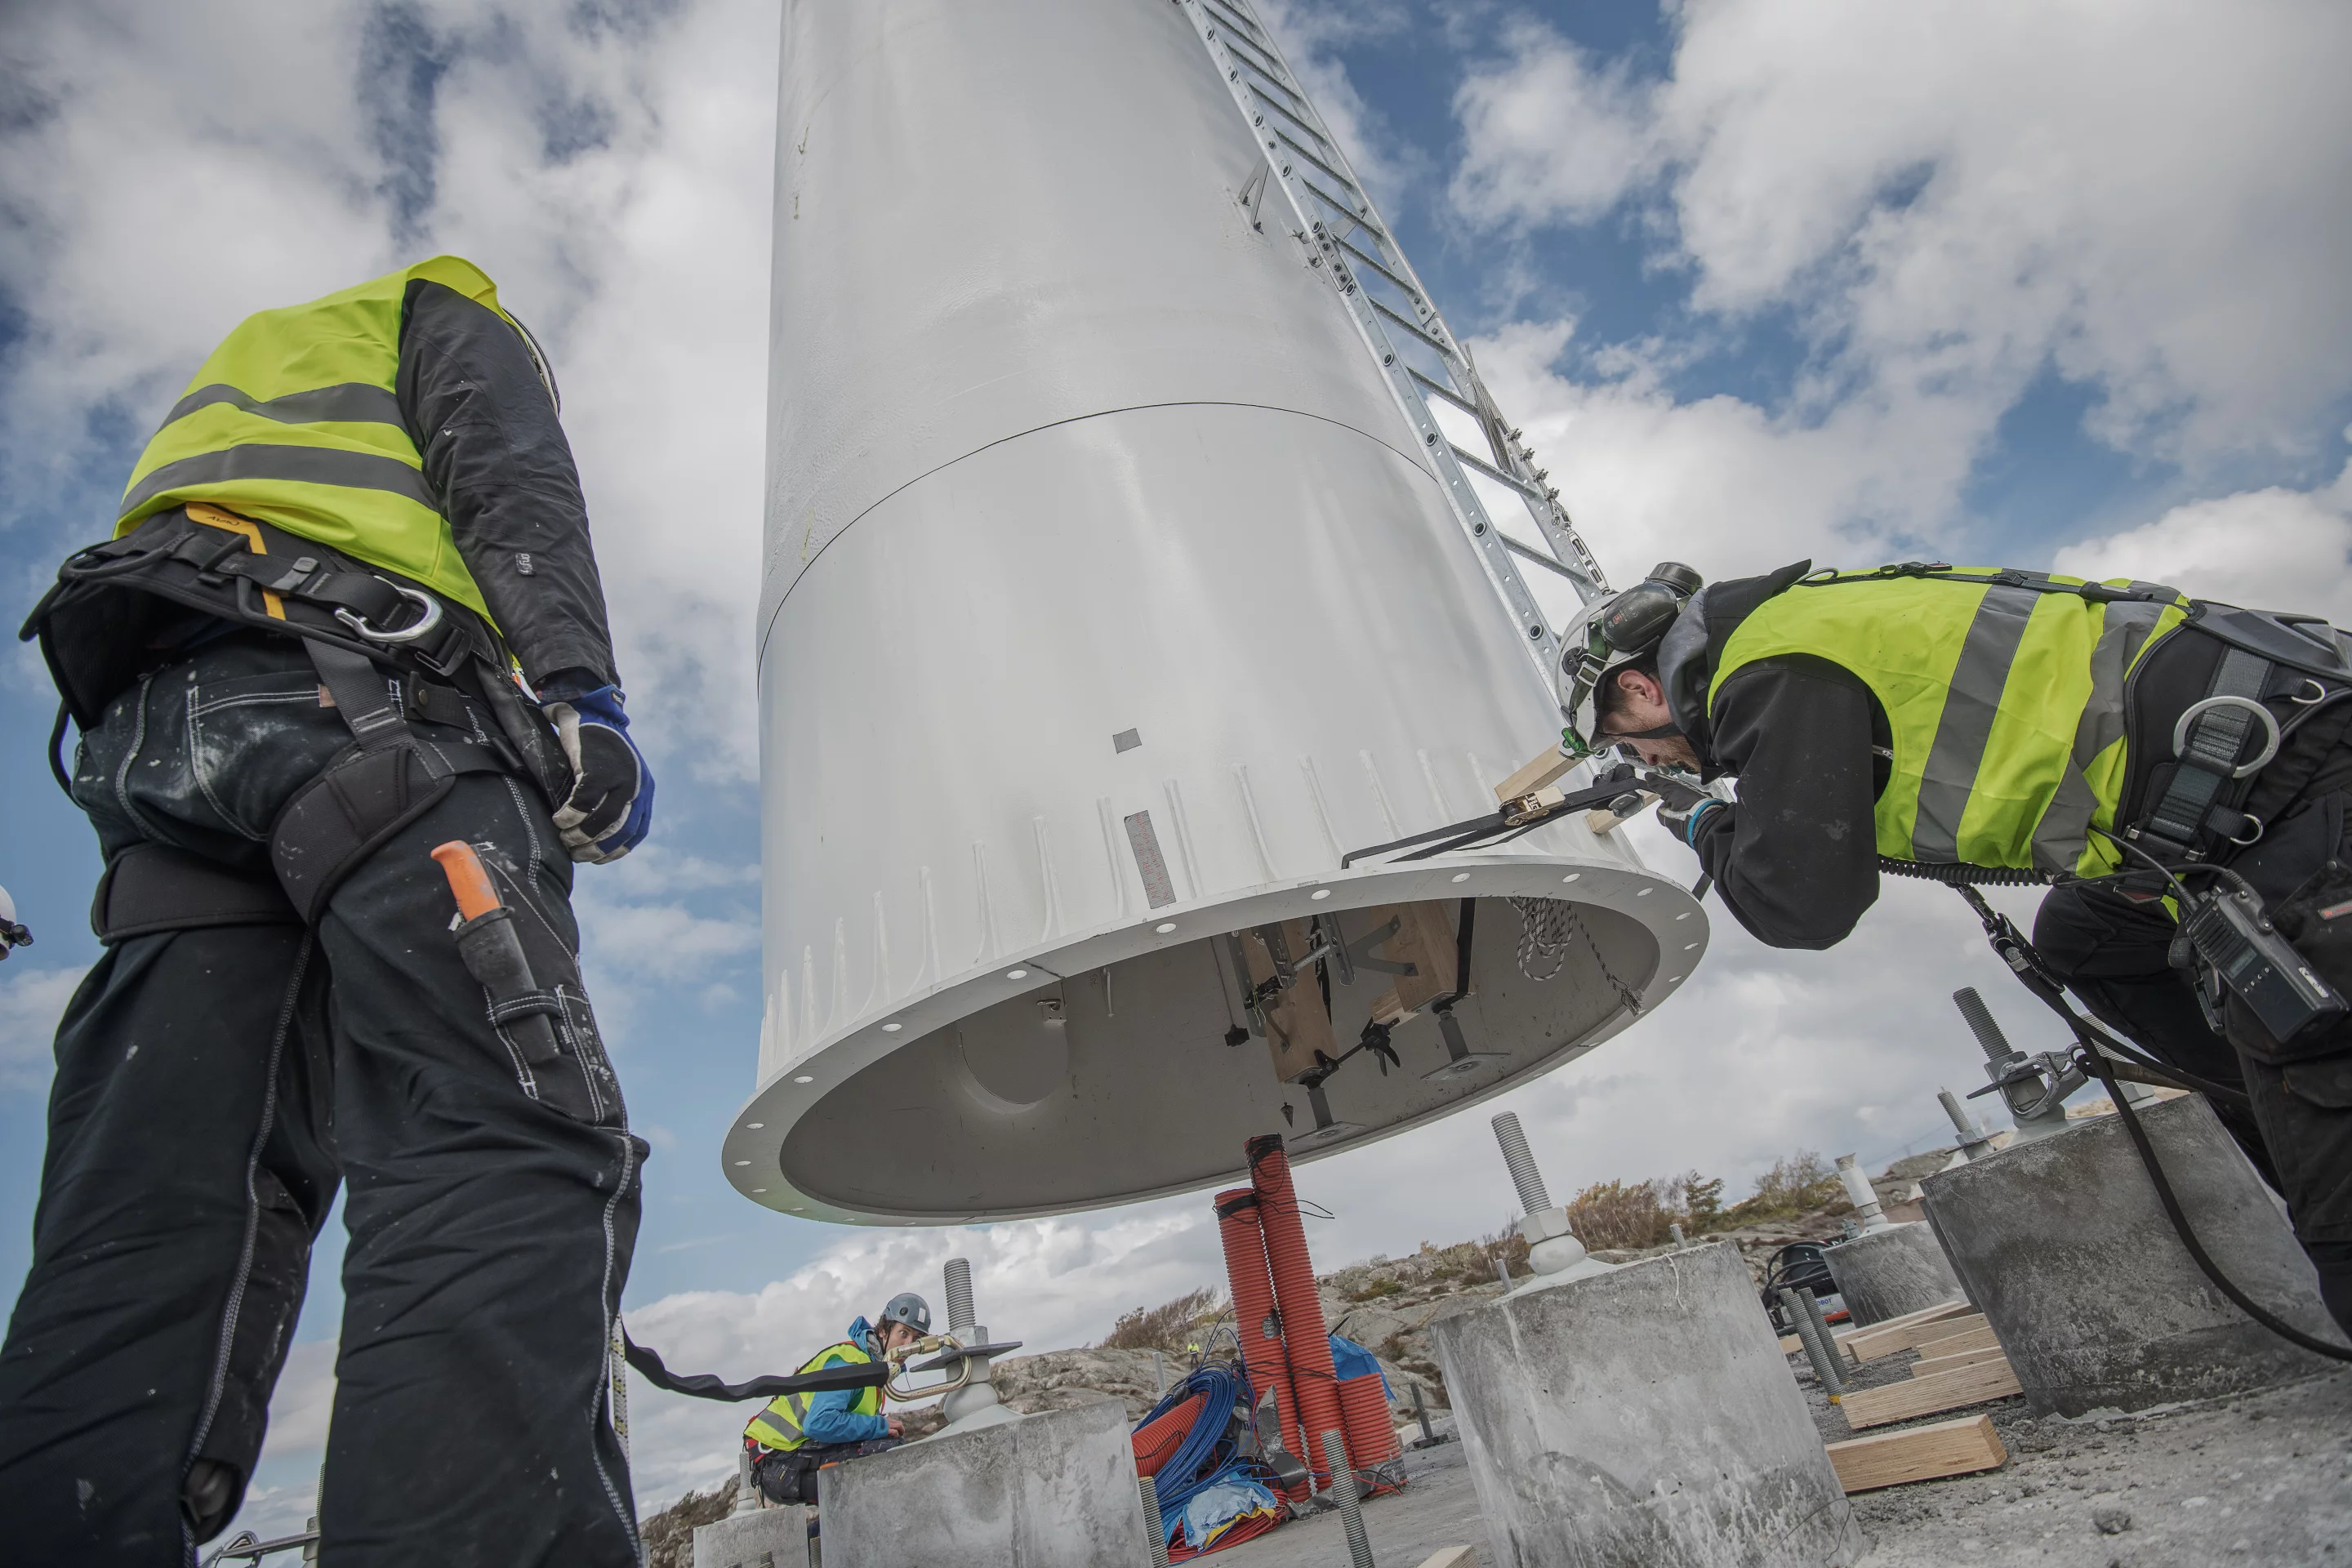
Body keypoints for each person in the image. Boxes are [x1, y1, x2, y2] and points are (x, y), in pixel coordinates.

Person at [0, 256, 656, 1566]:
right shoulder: (446, 306)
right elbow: (509, 478)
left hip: (161, 753)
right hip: (364, 703)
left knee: (147, 1215)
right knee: (494, 1133)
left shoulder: (253, 365)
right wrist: (583, 698)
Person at [1562, 559, 2352, 1334]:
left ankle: (2305, 1094)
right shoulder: (1791, 631)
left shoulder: (1766, 671)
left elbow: (1799, 903)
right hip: (2233, 784)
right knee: (2084, 936)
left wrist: (1706, 823)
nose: (1643, 761)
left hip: (2288, 775)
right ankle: (2268, 1099)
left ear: (1641, 688)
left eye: (1625, 743)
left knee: (2333, 1175)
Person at [744, 1294, 933, 1504]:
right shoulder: (852, 1362)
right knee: (888, 1452)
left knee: (884, 1447)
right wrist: (878, 1425)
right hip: (778, 1461)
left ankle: (831, 1526)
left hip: (790, 1456)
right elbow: (819, 1423)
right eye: (904, 1333)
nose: (908, 1345)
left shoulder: (873, 1369)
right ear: (883, 1331)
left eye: (916, 1339)